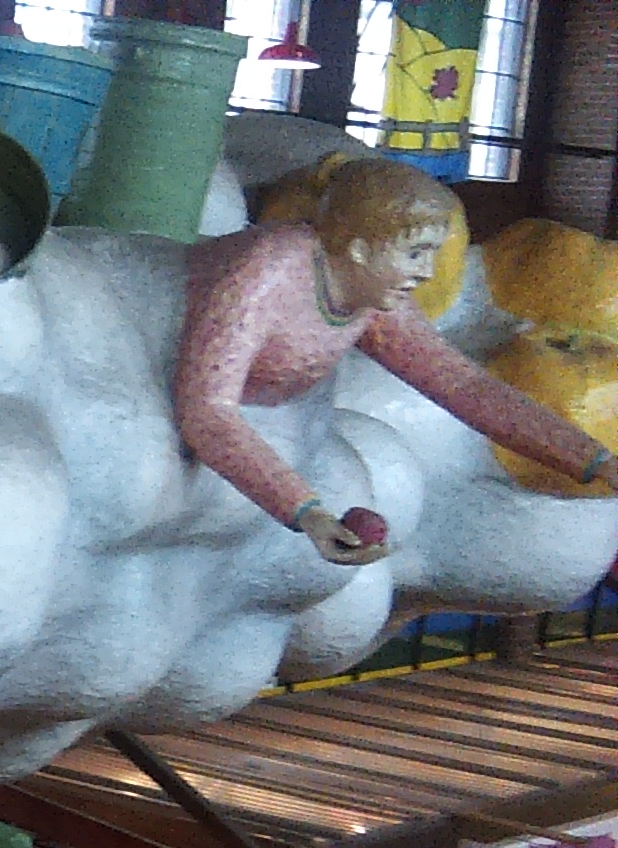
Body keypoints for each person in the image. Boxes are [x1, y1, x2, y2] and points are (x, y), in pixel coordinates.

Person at [175, 157, 614, 567]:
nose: (426, 272)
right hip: (160, 386)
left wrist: (594, 461)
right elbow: (206, 412)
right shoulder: (269, 273)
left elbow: (463, 385)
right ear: (361, 249)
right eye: (415, 252)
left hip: (244, 422)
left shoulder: (370, 293)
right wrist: (305, 512)